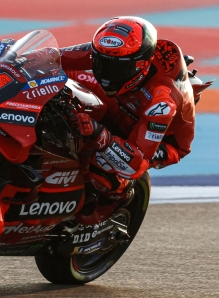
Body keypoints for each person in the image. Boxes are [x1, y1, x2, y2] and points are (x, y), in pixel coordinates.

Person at [59, 16, 195, 224]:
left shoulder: (162, 101)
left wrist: (98, 133)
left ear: (141, 65)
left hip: (161, 141)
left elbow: (134, 163)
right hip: (123, 106)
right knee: (65, 80)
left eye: (116, 68)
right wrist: (16, 58)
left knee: (104, 166)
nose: (106, 73)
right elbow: (54, 58)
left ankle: (116, 199)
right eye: (101, 62)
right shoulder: (111, 52)